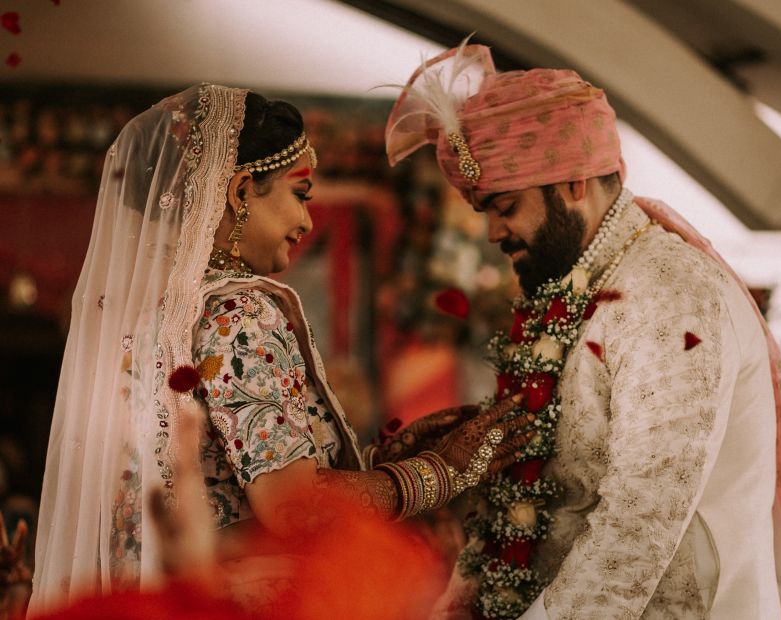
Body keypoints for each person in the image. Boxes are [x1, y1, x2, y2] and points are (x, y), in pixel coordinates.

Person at [28, 84, 535, 617]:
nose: (306, 222)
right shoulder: (240, 313)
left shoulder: (147, 321)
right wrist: (440, 472)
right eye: (300, 194)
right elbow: (296, 508)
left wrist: (384, 462)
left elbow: (222, 484)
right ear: (241, 190)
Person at [385, 41, 781, 620]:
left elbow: (638, 523)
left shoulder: (671, 294)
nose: (494, 233)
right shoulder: (575, 287)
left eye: (507, 206)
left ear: (573, 183)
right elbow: (535, 489)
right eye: (486, 210)